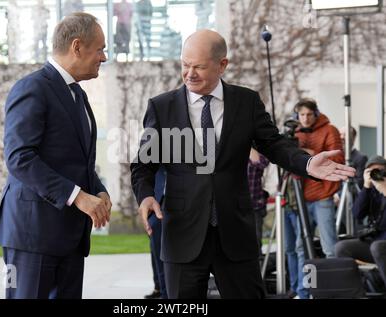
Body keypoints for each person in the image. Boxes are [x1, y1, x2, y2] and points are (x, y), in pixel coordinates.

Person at [130, 29, 356, 299]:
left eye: (199, 67)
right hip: (183, 233)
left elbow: (274, 145)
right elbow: (144, 165)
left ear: (222, 64)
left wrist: (306, 164)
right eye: (185, 65)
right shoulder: (161, 107)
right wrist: (144, 196)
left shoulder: (246, 102)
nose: (189, 73)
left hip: (235, 233)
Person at [0, 13, 111, 299]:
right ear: (77, 47)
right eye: (100, 49)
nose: (103, 57)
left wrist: (98, 189)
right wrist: (78, 196)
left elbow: (75, 159)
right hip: (32, 236)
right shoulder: (32, 88)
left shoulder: (77, 95)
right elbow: (20, 157)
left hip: (69, 237)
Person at [294, 98, 344, 299]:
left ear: (315, 114)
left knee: (329, 248)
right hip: (301, 197)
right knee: (301, 248)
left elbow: (338, 159)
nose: (305, 119)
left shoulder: (329, 130)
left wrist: (309, 152)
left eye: (308, 114)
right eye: (301, 115)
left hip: (323, 196)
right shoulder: (295, 133)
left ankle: (332, 292)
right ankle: (304, 292)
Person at [335, 155, 386, 286]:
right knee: (342, 247)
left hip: (381, 244)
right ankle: (356, 290)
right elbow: (357, 215)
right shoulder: (370, 190)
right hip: (375, 241)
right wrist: (366, 187)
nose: (376, 175)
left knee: (377, 247)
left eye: (380, 171)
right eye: (371, 172)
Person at [145, 168, 167, 299]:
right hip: (156, 197)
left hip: (180, 197)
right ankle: (159, 287)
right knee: (155, 247)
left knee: (162, 249)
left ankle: (165, 292)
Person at [247, 147, 269, 255]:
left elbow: (263, 163)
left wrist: (247, 144)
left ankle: (258, 270)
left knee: (255, 245)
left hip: (254, 206)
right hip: (234, 207)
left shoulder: (255, 150)